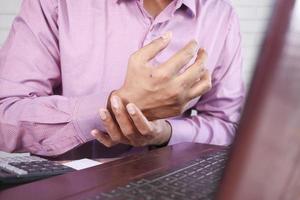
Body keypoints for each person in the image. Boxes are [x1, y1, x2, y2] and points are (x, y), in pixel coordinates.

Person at [0, 0, 244, 158]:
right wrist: (115, 106)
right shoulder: (56, 4)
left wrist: (165, 133)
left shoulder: (221, 16)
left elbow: (228, 127)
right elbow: (5, 116)